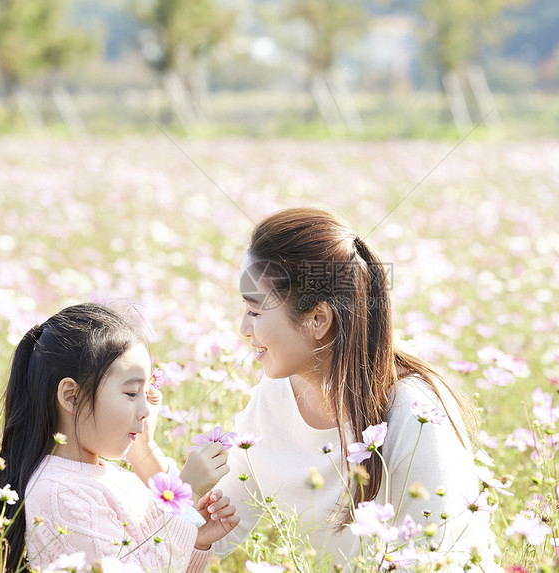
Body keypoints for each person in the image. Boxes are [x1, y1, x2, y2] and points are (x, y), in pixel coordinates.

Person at [214, 208, 503, 571]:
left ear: (318, 318)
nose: (243, 328)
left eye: (254, 312)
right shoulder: (273, 394)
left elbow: (438, 562)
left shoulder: (417, 415)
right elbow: (221, 529)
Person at [0, 303, 239, 573]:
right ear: (72, 396)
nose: (146, 411)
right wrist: (185, 493)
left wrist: (194, 541)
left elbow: (155, 560)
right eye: (131, 394)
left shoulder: (113, 477)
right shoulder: (57, 493)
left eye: (146, 393)